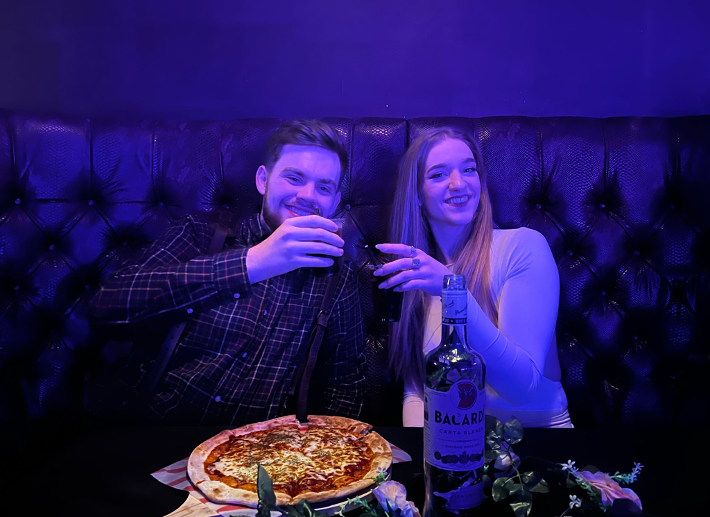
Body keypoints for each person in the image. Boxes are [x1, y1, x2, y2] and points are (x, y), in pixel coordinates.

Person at [87, 120, 365, 426]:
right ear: (264, 180)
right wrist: (254, 262)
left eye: (323, 187)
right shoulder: (203, 234)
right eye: (294, 178)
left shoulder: (338, 278)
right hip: (155, 434)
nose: (308, 195)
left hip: (258, 457)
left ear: (335, 202)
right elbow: (106, 309)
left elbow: (345, 386)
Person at [375, 128, 572, 428]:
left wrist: (452, 292)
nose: (459, 184)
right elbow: (417, 389)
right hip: (452, 445)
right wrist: (421, 459)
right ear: (416, 194)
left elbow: (522, 388)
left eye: (469, 169)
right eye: (439, 175)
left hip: (539, 444)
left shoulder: (522, 247)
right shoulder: (419, 271)